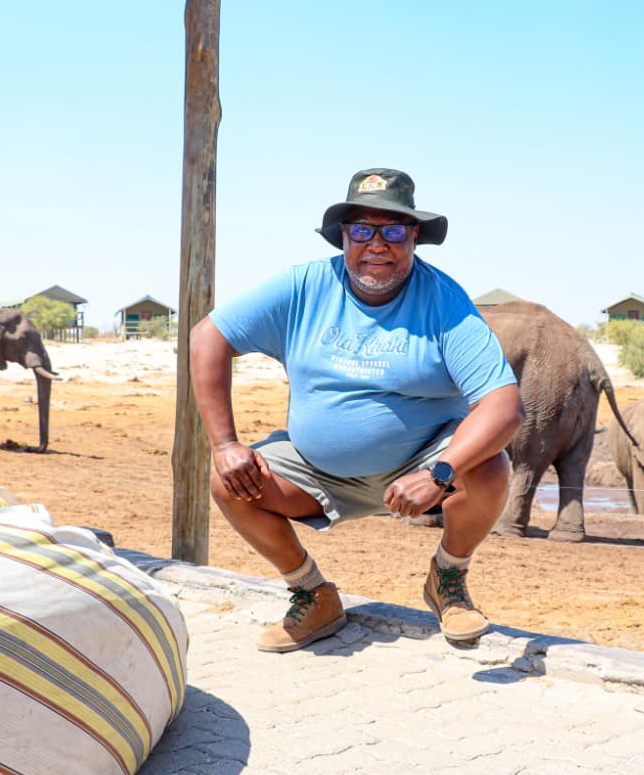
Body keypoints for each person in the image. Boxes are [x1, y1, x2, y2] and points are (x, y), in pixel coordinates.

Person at [190, 168, 524, 653]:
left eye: (393, 231)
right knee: (230, 481)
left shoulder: (443, 300)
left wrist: (439, 473)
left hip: (420, 466)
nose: (377, 245)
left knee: (490, 464)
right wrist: (224, 443)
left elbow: (504, 405)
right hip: (316, 472)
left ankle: (448, 579)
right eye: (362, 230)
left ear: (415, 236)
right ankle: (312, 594)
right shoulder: (304, 286)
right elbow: (208, 336)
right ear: (343, 236)